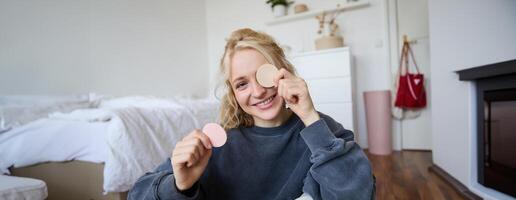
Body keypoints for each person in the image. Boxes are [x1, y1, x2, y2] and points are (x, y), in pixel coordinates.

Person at [128, 28, 375, 200]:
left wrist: (310, 117)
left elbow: (357, 194)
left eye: (263, 74)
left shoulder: (322, 129)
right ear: (233, 93)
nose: (258, 91)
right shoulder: (217, 143)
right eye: (242, 84)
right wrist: (179, 185)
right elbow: (137, 194)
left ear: (284, 71)